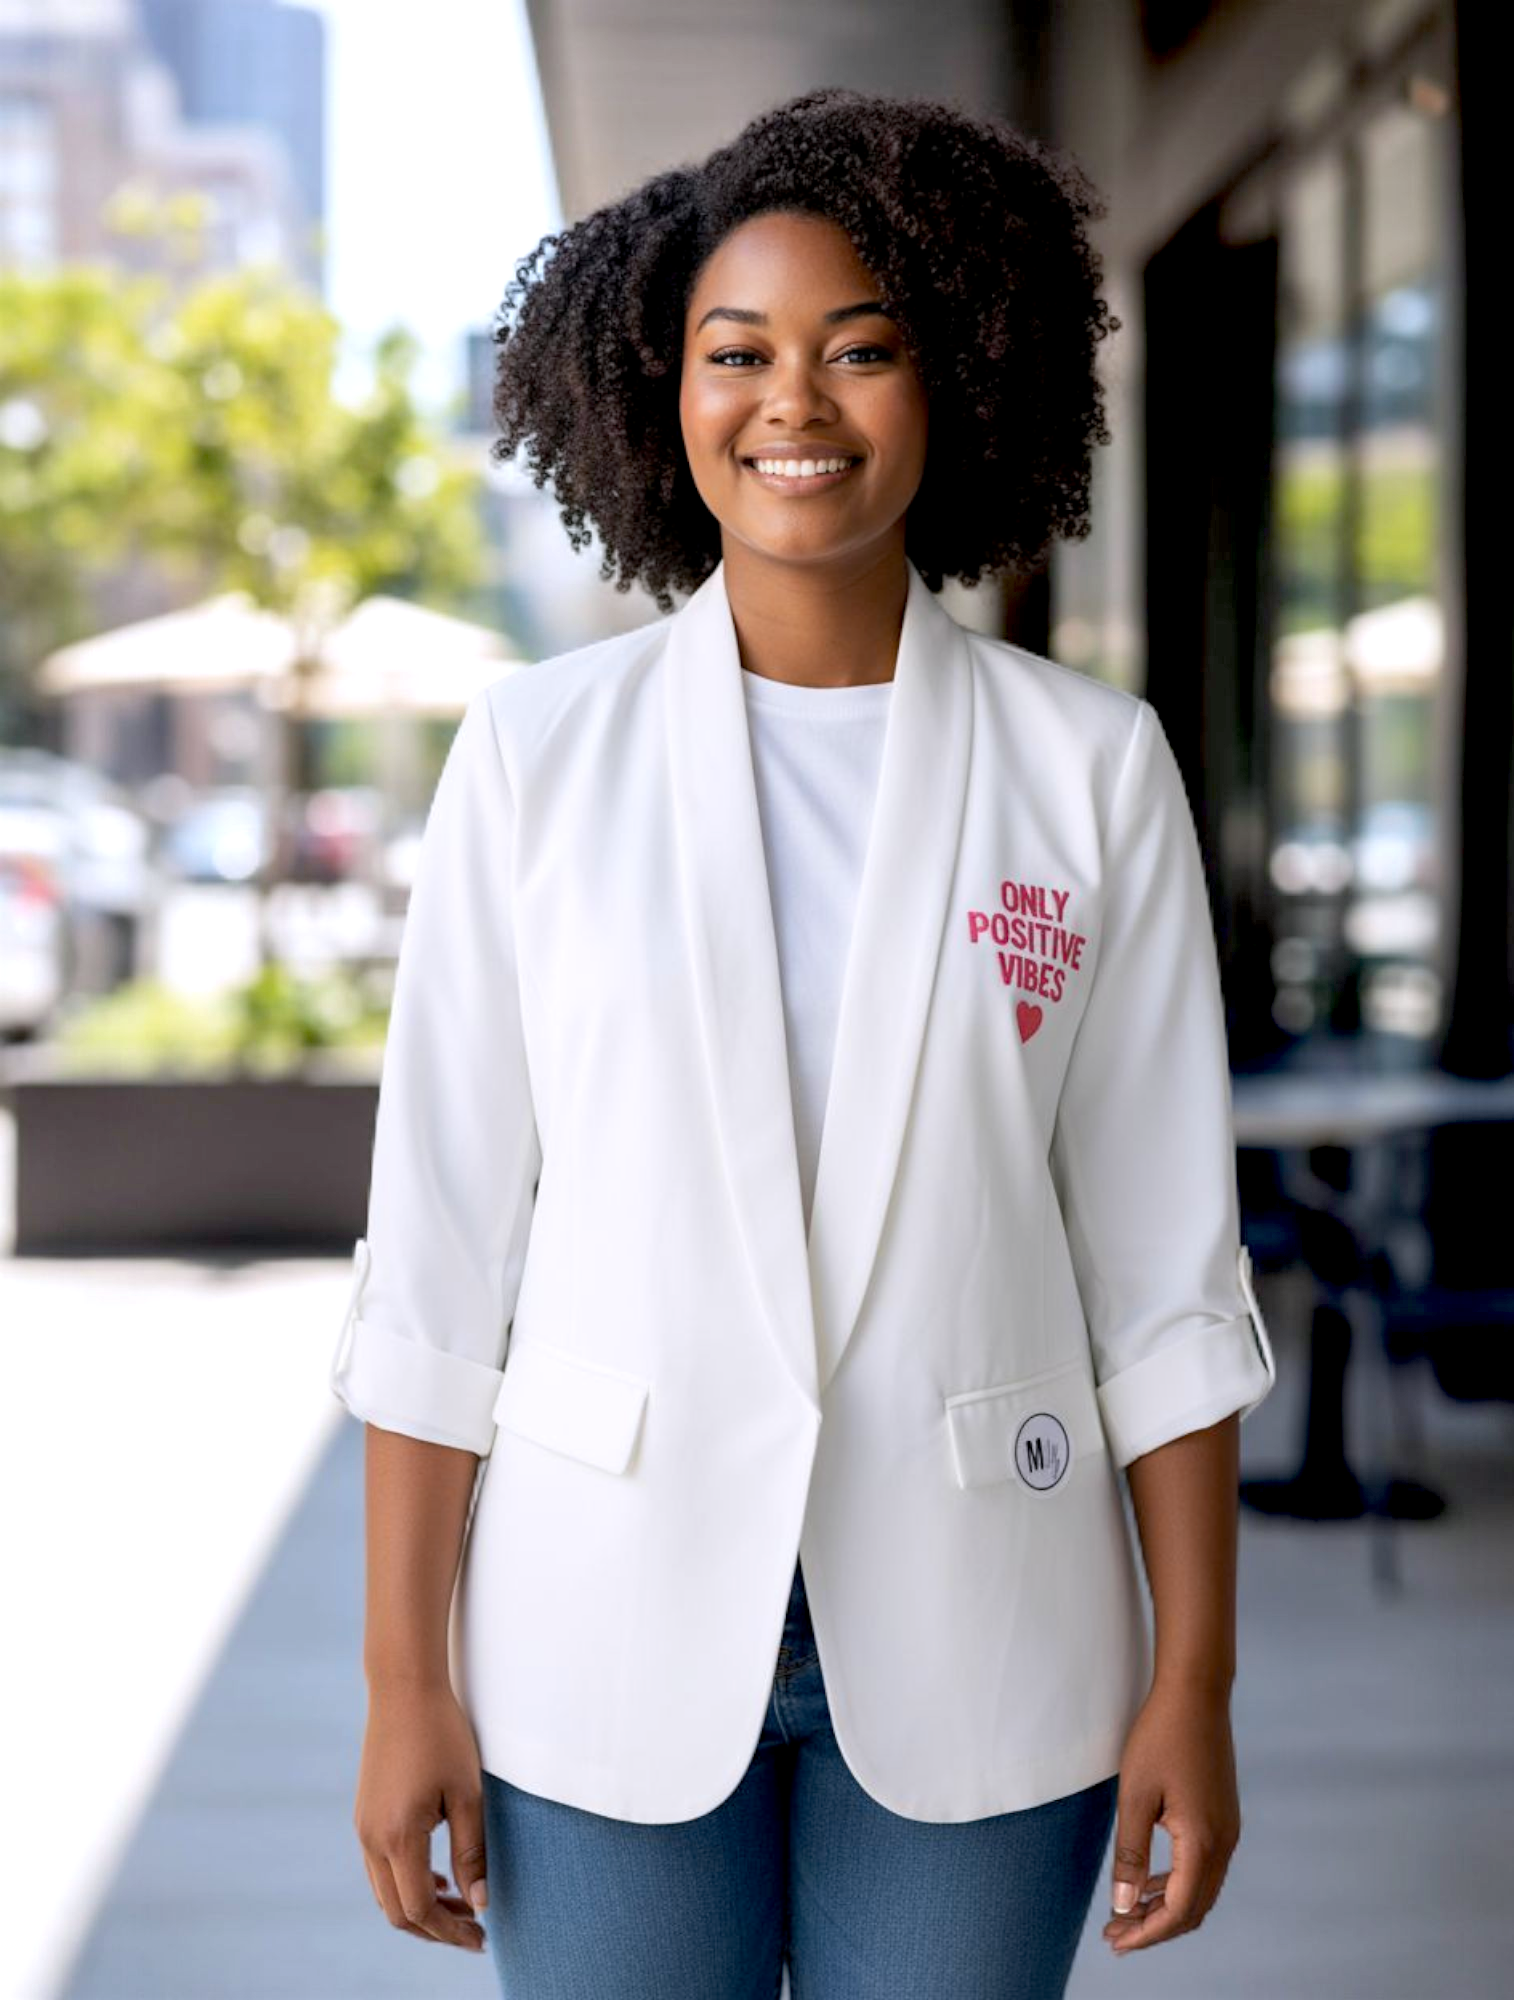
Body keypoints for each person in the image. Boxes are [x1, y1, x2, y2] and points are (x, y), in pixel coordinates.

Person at [330, 84, 1277, 2000]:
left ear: (961, 375)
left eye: (862, 348)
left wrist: (1196, 1682)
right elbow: (439, 1264)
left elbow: (1167, 1277)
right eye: (735, 352)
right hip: (597, 1636)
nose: (796, 405)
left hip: (989, 1634)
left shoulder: (1087, 772)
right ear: (658, 393)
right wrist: (401, 1678)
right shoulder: (533, 759)